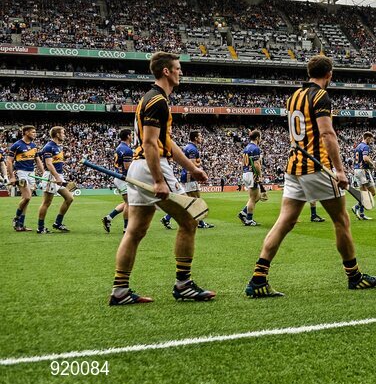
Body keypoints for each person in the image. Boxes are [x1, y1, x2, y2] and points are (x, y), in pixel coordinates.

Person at [245, 55, 376, 298]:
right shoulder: (320, 96)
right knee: (341, 220)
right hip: (318, 168)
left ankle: (258, 278)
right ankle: (355, 277)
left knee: (285, 222)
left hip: (294, 168)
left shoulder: (294, 96)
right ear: (329, 74)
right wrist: (340, 170)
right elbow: (327, 134)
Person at [110, 52, 213, 305]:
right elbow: (150, 143)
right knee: (190, 221)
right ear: (166, 71)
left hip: (139, 166)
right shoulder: (158, 100)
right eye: (177, 68)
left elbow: (166, 142)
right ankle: (184, 284)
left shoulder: (151, 98)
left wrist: (191, 168)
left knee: (135, 230)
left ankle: (120, 291)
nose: (181, 72)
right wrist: (158, 180)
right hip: (151, 166)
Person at [36, 126, 75, 233]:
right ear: (57, 134)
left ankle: (57, 223)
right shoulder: (49, 146)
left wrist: (65, 157)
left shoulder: (59, 146)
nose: (64, 135)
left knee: (69, 198)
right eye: (63, 133)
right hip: (51, 177)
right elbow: (48, 164)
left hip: (58, 176)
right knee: (46, 202)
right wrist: (57, 177)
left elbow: (54, 160)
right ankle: (40, 228)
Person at [6, 125, 42, 232]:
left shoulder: (34, 146)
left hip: (31, 174)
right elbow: (9, 161)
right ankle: (16, 218)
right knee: (27, 197)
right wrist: (12, 177)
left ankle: (20, 225)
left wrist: (44, 173)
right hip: (21, 173)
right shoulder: (16, 145)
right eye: (33, 132)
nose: (35, 134)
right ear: (26, 132)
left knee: (26, 200)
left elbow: (38, 160)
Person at [102, 128, 133, 234]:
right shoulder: (127, 150)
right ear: (128, 136)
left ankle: (109, 218)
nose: (132, 136)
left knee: (127, 202)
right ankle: (126, 228)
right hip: (123, 178)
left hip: (119, 177)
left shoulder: (120, 147)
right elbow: (127, 167)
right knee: (129, 203)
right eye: (131, 135)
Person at [237, 131, 263, 226]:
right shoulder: (255, 148)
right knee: (253, 198)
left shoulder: (246, 148)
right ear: (257, 138)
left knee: (258, 196)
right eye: (260, 137)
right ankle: (249, 219)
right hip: (252, 173)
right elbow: (256, 164)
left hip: (246, 172)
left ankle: (243, 213)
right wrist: (259, 175)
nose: (260, 139)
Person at [351, 131, 376, 221]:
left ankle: (361, 214)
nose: (371, 141)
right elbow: (365, 158)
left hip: (357, 170)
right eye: (371, 139)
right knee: (372, 192)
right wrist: (372, 164)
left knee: (364, 193)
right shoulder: (365, 146)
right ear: (367, 138)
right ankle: (356, 207)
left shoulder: (358, 146)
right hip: (363, 171)